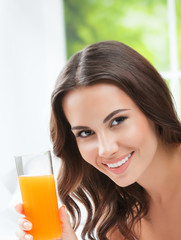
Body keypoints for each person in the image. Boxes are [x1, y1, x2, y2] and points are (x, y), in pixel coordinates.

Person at [15, 40, 181, 240]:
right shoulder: (121, 222)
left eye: (118, 120)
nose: (106, 149)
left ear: (152, 107)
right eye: (85, 133)